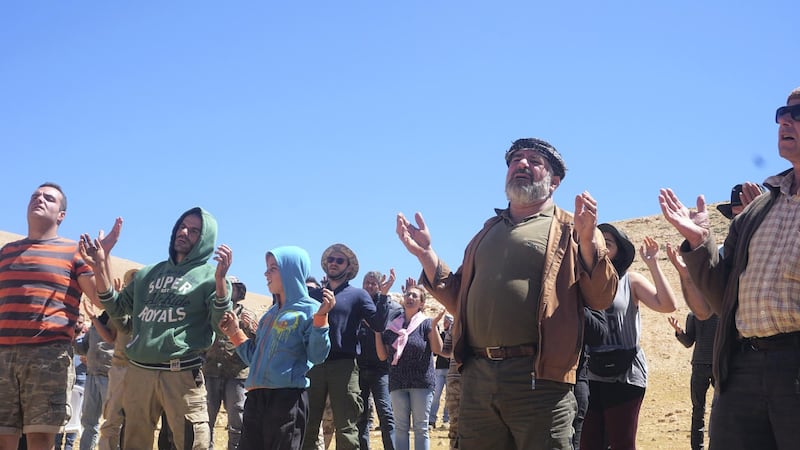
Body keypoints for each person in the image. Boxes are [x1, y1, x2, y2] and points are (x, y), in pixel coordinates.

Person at [396, 138, 618, 449]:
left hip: (539, 379)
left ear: (554, 182)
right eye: (516, 160)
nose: (522, 164)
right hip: (477, 377)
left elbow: (601, 297)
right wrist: (426, 254)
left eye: (533, 161)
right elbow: (459, 297)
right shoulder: (486, 232)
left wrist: (587, 240)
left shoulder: (572, 228)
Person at [659, 87, 800, 449]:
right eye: (782, 113)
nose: (785, 120)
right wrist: (698, 244)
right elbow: (722, 300)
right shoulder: (759, 210)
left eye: (797, 114)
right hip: (742, 368)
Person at [80, 206, 233, 449]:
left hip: (182, 373)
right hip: (139, 372)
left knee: (194, 443)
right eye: (182, 226)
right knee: (133, 443)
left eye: (194, 231)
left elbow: (221, 325)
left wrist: (220, 283)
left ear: (205, 239)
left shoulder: (209, 277)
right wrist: (99, 268)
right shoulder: (148, 274)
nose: (184, 232)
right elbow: (118, 310)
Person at [0, 182, 121, 450]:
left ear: (61, 215)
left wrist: (102, 260)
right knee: (3, 437)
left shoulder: (74, 252)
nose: (39, 199)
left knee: (41, 439)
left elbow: (101, 299)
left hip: (49, 356)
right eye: (34, 195)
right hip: (3, 355)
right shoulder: (6, 253)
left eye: (48, 198)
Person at [219, 246, 334, 450]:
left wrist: (321, 319)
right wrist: (234, 333)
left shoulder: (311, 309)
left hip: (286, 398)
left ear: (291, 272)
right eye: (267, 268)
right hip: (255, 397)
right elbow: (254, 358)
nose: (266, 273)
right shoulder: (269, 316)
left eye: (273, 268)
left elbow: (317, 356)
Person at [580, 225, 678, 450]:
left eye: (608, 242)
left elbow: (668, 305)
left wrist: (653, 264)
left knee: (622, 443)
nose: (601, 246)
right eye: (598, 241)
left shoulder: (630, 281)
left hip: (626, 375)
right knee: (588, 444)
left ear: (619, 250)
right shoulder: (581, 281)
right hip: (590, 373)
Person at [302, 243, 391, 450]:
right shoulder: (313, 296)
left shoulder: (358, 295)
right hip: (313, 364)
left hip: (344, 365)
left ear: (348, 268)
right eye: (331, 260)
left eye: (339, 260)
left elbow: (378, 324)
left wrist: (384, 297)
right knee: (308, 425)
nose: (334, 263)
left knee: (347, 427)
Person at [375, 283, 444, 450]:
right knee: (400, 428)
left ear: (422, 303)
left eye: (415, 296)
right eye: (408, 295)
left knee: (420, 428)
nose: (410, 298)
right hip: (397, 383)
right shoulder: (392, 326)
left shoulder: (426, 323)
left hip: (422, 384)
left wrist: (434, 326)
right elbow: (383, 356)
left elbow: (438, 350)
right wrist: (377, 332)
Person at [204, 276, 259, 450]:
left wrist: (251, 328)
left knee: (238, 419)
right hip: (210, 371)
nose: (227, 290)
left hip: (237, 374)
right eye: (224, 286)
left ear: (238, 291)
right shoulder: (210, 312)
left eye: (232, 287)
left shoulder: (248, 315)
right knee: (206, 420)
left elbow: (259, 344)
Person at [357, 270, 400, 450]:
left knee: (386, 413)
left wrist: (383, 295)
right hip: (358, 368)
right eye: (366, 282)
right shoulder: (357, 306)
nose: (369, 286)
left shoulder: (390, 307)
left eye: (373, 283)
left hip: (381, 369)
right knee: (361, 415)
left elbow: (384, 326)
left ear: (380, 285)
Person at [97, 269, 138, 450]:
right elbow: (111, 336)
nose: (134, 285)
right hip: (121, 366)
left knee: (139, 422)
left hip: (144, 369)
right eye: (132, 282)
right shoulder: (121, 308)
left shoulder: (152, 308)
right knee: (112, 418)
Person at [668, 313, 718, 450]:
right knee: (698, 411)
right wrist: (679, 331)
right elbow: (689, 341)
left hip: (718, 368)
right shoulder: (694, 315)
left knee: (720, 409)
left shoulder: (723, 312)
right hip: (699, 367)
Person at [74, 308, 115, 450]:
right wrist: (73, 336)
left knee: (113, 421)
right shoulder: (96, 322)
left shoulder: (120, 318)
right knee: (88, 422)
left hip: (111, 377)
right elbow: (83, 347)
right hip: (92, 376)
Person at [572, 308, 608, 450]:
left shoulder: (583, 289)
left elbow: (598, 334)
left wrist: (574, 302)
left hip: (572, 383)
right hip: (527, 382)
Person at [429, 313, 453, 429]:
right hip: (439, 369)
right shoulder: (441, 335)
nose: (445, 323)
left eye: (447, 321)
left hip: (450, 369)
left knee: (449, 396)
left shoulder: (454, 335)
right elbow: (435, 352)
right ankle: (431, 420)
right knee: (436, 395)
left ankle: (446, 420)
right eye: (444, 321)